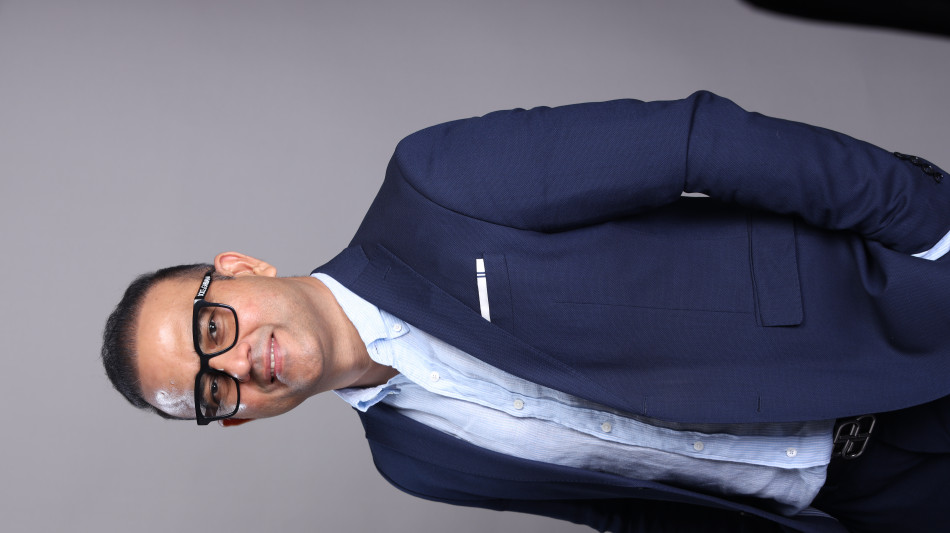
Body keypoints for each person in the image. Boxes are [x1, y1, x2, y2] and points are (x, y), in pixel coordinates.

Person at [102, 91, 950, 532]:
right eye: (211, 390)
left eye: (211, 329)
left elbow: (699, 142)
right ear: (236, 418)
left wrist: (934, 230)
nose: (236, 363)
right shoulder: (412, 462)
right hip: (877, 499)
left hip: (902, 322)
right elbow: (632, 508)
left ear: (242, 268)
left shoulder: (435, 185)